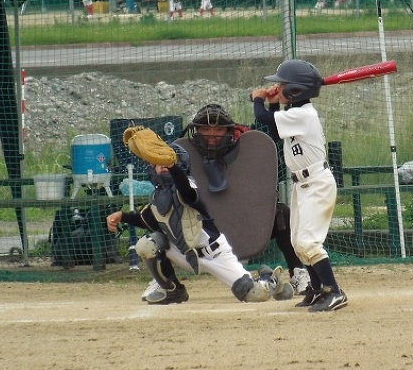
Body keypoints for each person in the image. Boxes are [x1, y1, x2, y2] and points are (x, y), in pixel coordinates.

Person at [106, 127, 293, 305]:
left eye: (167, 162)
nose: (162, 166)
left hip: (214, 253)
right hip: (184, 253)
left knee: (254, 294)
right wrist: (121, 216)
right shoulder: (157, 197)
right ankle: (172, 290)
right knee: (147, 244)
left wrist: (172, 166)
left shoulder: (188, 184)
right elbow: (145, 219)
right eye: (158, 163)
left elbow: (185, 190)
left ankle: (267, 278)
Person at [251, 59, 348, 312]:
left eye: (282, 85)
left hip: (316, 183)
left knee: (309, 243)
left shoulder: (303, 114)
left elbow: (262, 117)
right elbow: (275, 132)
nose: (278, 87)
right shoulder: (295, 114)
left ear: (296, 90)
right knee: (297, 243)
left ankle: (334, 292)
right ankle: (316, 290)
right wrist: (274, 102)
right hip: (302, 184)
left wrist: (258, 99)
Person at [185, 103, 311, 294]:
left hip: (245, 222)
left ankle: (298, 273)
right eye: (205, 129)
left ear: (228, 131)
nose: (211, 135)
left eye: (218, 130)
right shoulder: (182, 153)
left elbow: (265, 183)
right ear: (196, 131)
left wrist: (272, 105)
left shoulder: (249, 148)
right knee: (163, 219)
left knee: (283, 214)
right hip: (201, 228)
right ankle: (164, 281)